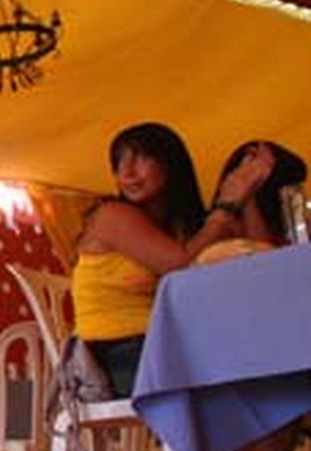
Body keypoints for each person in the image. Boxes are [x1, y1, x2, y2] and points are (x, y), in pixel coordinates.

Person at [72, 124, 272, 396]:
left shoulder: (180, 228)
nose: (128, 172)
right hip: (119, 352)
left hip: (163, 345)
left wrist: (246, 194)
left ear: (170, 164)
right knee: (256, 377)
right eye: (120, 163)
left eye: (140, 157)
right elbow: (180, 265)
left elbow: (262, 259)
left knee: (270, 368)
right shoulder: (112, 214)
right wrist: (227, 204)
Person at [198, 141, 311, 451]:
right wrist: (244, 198)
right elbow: (269, 272)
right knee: (271, 378)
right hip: (225, 364)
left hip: (262, 355)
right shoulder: (215, 238)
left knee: (277, 371)